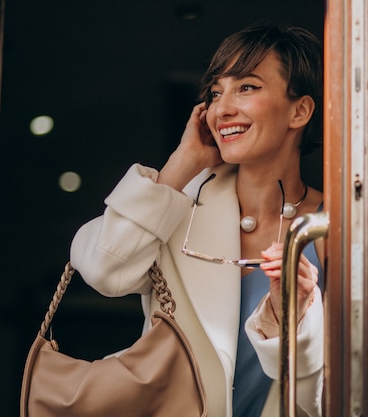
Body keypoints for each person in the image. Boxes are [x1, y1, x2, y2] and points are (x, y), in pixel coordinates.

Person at [70, 24, 324, 417]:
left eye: (247, 87)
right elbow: (105, 269)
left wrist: (290, 318)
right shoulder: (179, 208)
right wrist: (183, 163)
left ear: (300, 110)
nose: (222, 108)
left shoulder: (330, 228)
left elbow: (332, 394)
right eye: (216, 92)